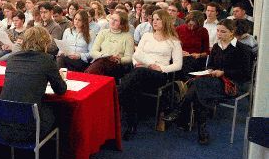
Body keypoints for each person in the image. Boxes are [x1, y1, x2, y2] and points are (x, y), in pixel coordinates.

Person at [164, 19, 251, 145]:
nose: (219, 34)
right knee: (202, 92)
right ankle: (201, 132)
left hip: (232, 84)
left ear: (232, 32)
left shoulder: (242, 49)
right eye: (218, 31)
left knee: (199, 86)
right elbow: (210, 65)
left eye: (223, 31)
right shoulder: (216, 46)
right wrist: (210, 70)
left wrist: (224, 72)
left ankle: (181, 110)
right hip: (213, 81)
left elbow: (245, 74)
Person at [119, 9, 183, 140]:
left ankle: (116, 95)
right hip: (140, 70)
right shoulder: (147, 36)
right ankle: (132, 125)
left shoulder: (174, 41)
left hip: (159, 74)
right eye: (153, 19)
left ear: (165, 21)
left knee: (133, 78)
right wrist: (137, 63)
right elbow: (136, 55)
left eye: (158, 19)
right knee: (133, 85)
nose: (154, 22)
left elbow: (178, 65)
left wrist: (161, 68)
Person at [0, 26, 67, 142]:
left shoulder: (13, 58)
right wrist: (61, 78)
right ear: (45, 42)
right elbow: (61, 90)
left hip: (1, 123)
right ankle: (59, 152)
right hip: (28, 129)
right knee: (57, 109)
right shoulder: (47, 60)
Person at [86, 12, 134, 78]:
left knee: (95, 69)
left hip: (116, 65)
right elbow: (93, 52)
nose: (112, 22)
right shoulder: (103, 32)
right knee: (101, 63)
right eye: (112, 19)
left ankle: (87, 78)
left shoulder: (128, 36)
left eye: (116, 20)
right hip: (101, 60)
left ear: (122, 24)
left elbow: (129, 58)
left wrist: (119, 60)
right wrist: (103, 56)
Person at [176, 11, 210, 80]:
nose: (191, 28)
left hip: (196, 59)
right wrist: (180, 52)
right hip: (180, 56)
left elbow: (207, 52)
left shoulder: (203, 31)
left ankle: (186, 83)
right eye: (190, 25)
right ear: (187, 22)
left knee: (187, 62)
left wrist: (199, 55)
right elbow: (172, 47)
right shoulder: (179, 29)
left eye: (195, 26)